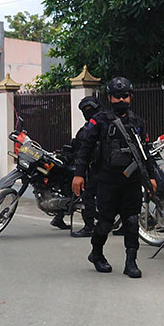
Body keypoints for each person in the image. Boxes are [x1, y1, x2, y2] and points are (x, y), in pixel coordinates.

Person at [72, 78, 156, 278]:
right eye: (117, 96)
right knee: (105, 221)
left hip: (131, 181)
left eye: (125, 96)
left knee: (132, 220)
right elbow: (85, 149)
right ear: (109, 98)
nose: (121, 100)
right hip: (107, 180)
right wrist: (79, 174)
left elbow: (146, 152)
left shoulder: (138, 122)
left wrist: (152, 176)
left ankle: (131, 262)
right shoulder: (99, 120)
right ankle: (96, 253)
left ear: (131, 97)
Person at [69, 95, 102, 238]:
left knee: (90, 196)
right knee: (88, 195)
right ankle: (90, 225)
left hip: (105, 168)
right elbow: (80, 149)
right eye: (85, 110)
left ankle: (90, 226)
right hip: (92, 167)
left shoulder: (105, 123)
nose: (87, 112)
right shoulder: (86, 128)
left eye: (90, 109)